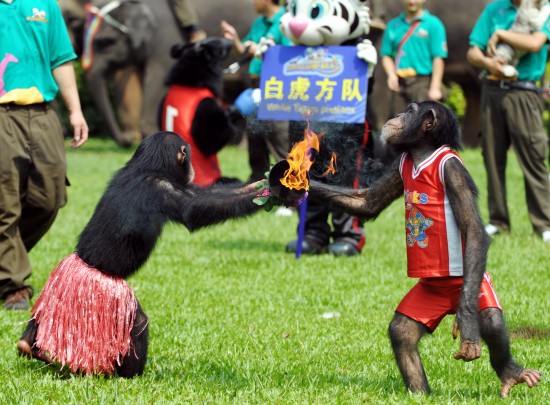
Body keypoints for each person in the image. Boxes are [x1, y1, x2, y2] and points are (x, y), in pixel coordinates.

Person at [0, 0, 89, 310]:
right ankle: (13, 286)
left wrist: (75, 110)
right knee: (5, 201)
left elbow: (61, 59)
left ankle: (6, 261)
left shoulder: (44, 5)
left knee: (49, 197)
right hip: (2, 112)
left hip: (42, 112)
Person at [467, 0, 550, 243]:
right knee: (492, 156)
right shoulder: (494, 9)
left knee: (533, 157)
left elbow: (535, 43)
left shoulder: (542, 8)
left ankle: (543, 223)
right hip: (492, 89)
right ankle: (498, 221)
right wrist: (488, 63)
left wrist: (501, 33)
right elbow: (473, 51)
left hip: (525, 91)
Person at [220, 0, 293, 183]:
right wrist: (236, 39)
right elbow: (244, 51)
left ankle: (290, 192)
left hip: (277, 90)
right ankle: (258, 187)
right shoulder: (259, 23)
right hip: (255, 89)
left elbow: (292, 58)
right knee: (256, 141)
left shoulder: (287, 22)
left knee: (280, 142)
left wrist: (261, 51)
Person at [380, 0, 448, 118]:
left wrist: (435, 87)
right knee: (398, 127)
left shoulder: (433, 24)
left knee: (423, 127)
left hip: (422, 84)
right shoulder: (393, 25)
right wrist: (391, 75)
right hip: (400, 84)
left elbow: (438, 58)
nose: (412, 1)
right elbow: (386, 55)